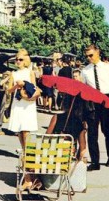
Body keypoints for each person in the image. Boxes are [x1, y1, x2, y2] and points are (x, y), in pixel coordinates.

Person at [81, 44, 109, 171]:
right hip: (93, 101)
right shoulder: (85, 71)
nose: (89, 58)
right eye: (87, 56)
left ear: (98, 53)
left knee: (108, 130)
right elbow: (84, 90)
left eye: (91, 55)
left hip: (107, 99)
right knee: (92, 133)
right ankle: (95, 162)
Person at [5, 49, 41, 190]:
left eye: (20, 59)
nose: (17, 62)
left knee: (27, 141)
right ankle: (31, 178)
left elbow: (34, 88)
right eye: (16, 59)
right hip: (18, 106)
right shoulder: (14, 74)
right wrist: (16, 85)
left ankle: (30, 178)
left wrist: (27, 90)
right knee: (22, 140)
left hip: (27, 106)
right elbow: (8, 91)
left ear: (26, 60)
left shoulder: (30, 72)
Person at [45, 69, 88, 161]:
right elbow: (83, 151)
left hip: (77, 118)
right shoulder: (79, 125)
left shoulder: (56, 118)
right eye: (74, 76)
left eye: (76, 76)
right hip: (67, 115)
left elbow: (46, 137)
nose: (75, 78)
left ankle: (79, 157)